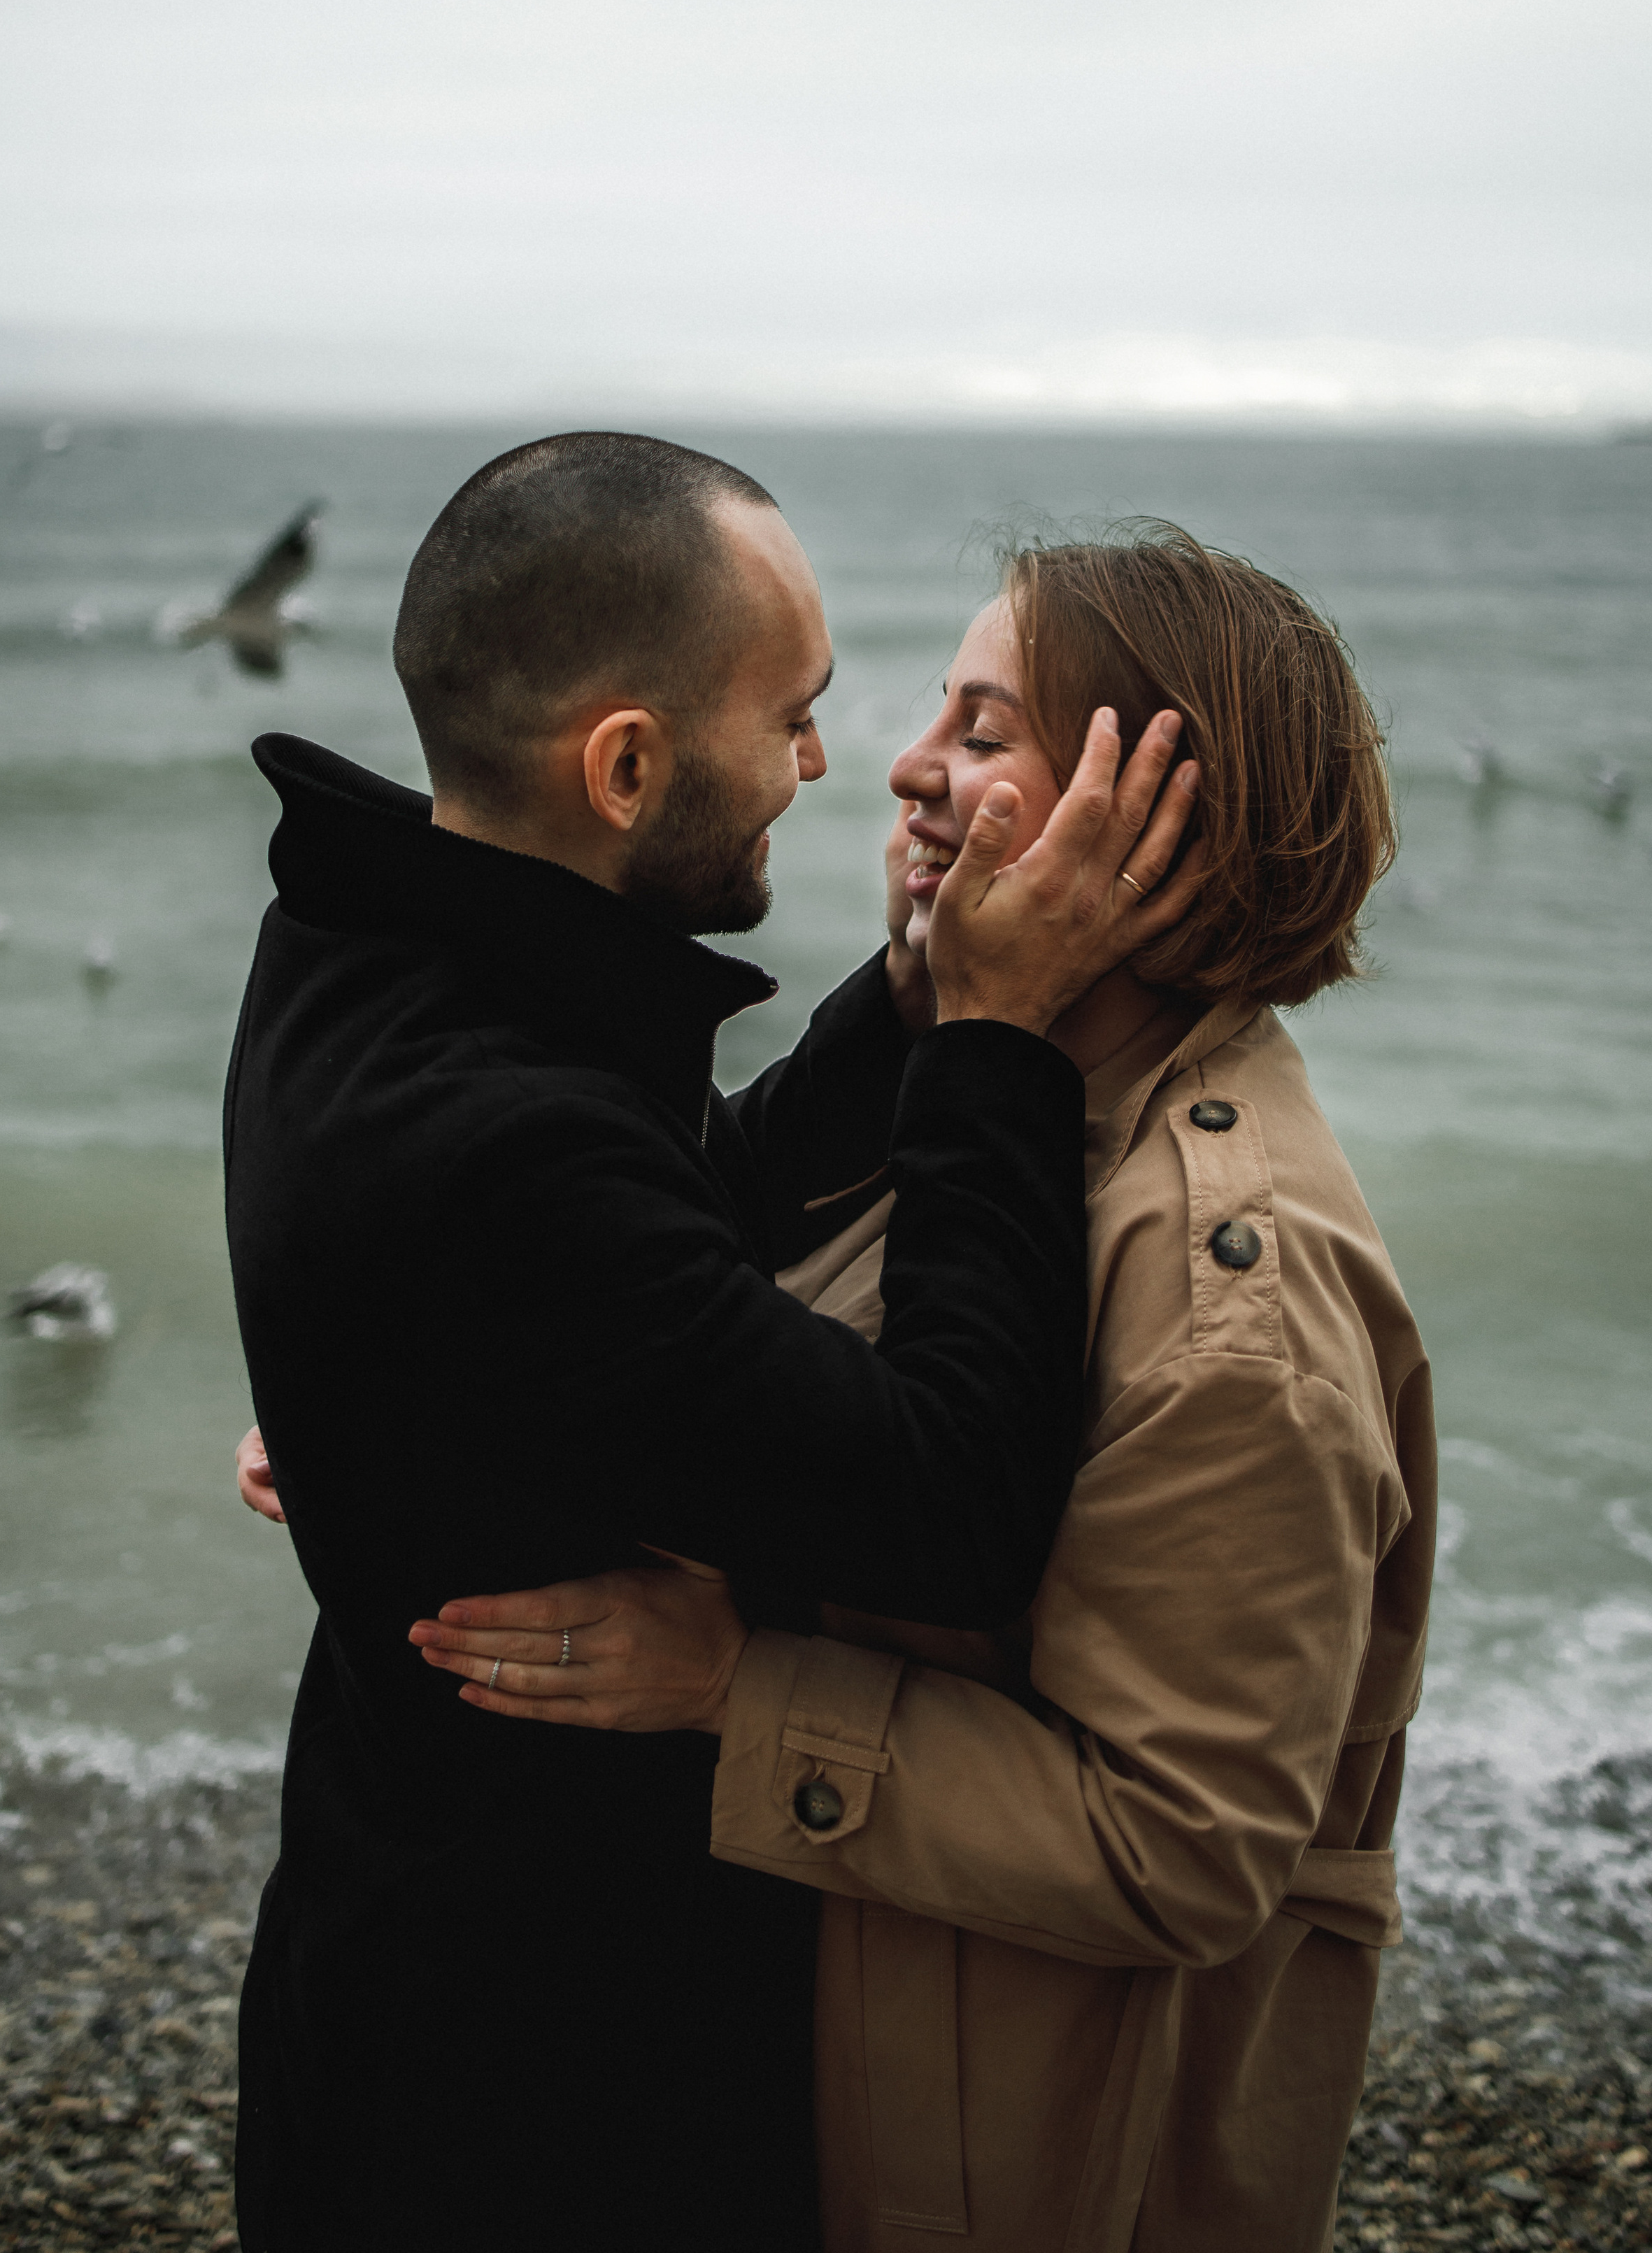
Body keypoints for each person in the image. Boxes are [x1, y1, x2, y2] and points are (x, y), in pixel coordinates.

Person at [404, 522, 1437, 2253]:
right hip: (856, 2056)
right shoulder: (1002, 1086)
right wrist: (464, 1414)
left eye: (979, 729)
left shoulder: (1224, 1297)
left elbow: (1179, 1847)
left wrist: (738, 1688)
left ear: (1158, 822)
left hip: (1012, 2143)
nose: (896, 765)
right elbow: (742, 1347)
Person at [222, 434, 1204, 2253]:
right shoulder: (505, 1157)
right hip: (533, 2089)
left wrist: (906, 1000)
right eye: (798, 714)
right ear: (626, 765)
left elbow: (662, 1210)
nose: (844, 764)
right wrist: (999, 1039)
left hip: (386, 1938)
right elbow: (953, 1496)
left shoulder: (365, 940)